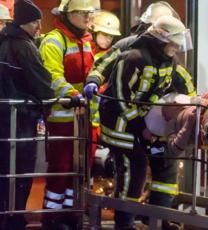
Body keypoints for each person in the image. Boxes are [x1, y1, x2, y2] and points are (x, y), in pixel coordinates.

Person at [98, 15, 195, 229]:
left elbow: (184, 84)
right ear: (161, 40)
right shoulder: (132, 58)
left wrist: (195, 103)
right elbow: (121, 98)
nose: (178, 46)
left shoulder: (168, 61)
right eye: (174, 41)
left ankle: (160, 220)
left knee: (166, 164)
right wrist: (141, 128)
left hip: (144, 127)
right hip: (121, 127)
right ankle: (123, 224)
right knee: (135, 170)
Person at [39, 0, 100, 229]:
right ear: (67, 14)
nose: (87, 17)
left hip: (86, 118)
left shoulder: (87, 41)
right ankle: (51, 217)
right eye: (82, 12)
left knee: (81, 169)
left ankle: (71, 211)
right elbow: (52, 75)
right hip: (63, 116)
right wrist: (72, 94)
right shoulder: (53, 40)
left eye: (90, 12)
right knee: (61, 168)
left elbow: (95, 71)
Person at [0, 1, 54, 229]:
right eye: (34, 22)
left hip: (5, 118)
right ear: (23, 23)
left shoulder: (4, 42)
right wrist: (47, 103)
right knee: (22, 172)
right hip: (21, 120)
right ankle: (15, 218)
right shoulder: (25, 47)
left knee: (4, 171)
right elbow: (42, 83)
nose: (38, 27)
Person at [84, 1, 180, 95]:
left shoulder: (169, 55)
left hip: (148, 105)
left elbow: (181, 80)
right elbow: (102, 66)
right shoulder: (127, 45)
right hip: (123, 103)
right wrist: (93, 81)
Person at [89, 10, 121, 167]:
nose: (107, 39)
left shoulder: (112, 57)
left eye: (110, 36)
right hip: (83, 114)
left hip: (99, 119)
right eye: (104, 34)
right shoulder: (87, 52)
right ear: (95, 32)